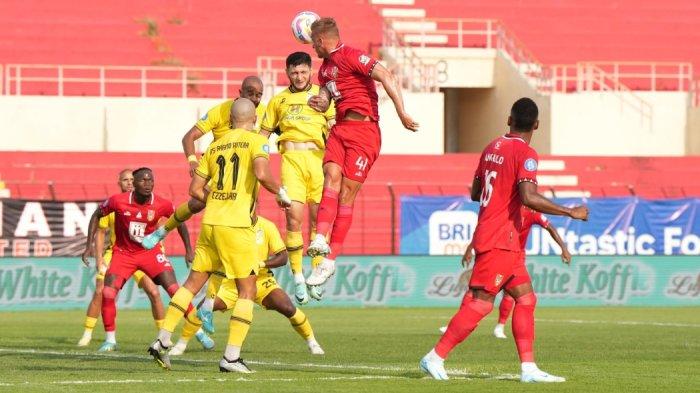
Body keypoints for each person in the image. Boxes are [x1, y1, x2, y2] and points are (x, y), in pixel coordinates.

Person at [420, 98, 589, 383]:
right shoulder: (527, 154)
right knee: (481, 303)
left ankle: (529, 369)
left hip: (500, 236)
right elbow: (528, 196)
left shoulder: (490, 148)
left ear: (509, 121)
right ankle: (435, 356)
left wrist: (499, 190)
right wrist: (569, 211)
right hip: (500, 236)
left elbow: (475, 192)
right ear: (536, 125)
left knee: (526, 299)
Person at [147, 98, 291, 373]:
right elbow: (262, 174)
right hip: (236, 226)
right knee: (247, 289)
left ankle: (162, 340)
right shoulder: (256, 141)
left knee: (191, 285)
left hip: (211, 223)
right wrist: (281, 192)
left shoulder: (215, 146)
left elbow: (194, 189)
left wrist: (219, 199)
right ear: (254, 120)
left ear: (231, 119)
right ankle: (231, 358)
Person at [141, 76, 266, 331]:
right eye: (249, 93)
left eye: (258, 94)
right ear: (239, 92)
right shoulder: (222, 111)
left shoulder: (260, 114)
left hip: (242, 179)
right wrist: (192, 162)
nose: (254, 98)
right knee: (198, 204)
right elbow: (189, 137)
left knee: (221, 251)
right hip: (217, 170)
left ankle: (205, 307)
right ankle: (162, 231)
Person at [303, 17, 419, 287]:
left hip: (364, 134)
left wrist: (401, 113)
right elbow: (325, 101)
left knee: (347, 193)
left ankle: (330, 261)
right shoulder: (324, 71)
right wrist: (317, 102)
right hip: (340, 129)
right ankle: (320, 237)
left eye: (313, 44)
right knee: (330, 175)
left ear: (321, 41)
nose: (312, 50)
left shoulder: (352, 56)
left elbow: (386, 75)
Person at [169, 215, 324, 356]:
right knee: (203, 307)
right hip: (232, 283)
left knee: (288, 307)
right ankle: (181, 345)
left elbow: (283, 258)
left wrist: (261, 264)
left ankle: (312, 342)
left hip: (261, 281)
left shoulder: (267, 226)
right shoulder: (229, 227)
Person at [83, 168, 197, 352]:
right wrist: (89, 245)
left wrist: (188, 249)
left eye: (150, 180)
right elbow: (97, 215)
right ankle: (110, 339)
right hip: (123, 254)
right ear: (133, 184)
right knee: (108, 293)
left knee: (174, 290)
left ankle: (195, 328)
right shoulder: (118, 201)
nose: (148, 184)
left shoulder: (161, 203)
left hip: (149, 253)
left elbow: (180, 220)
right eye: (143, 181)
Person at [259, 51, 335, 304]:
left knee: (317, 221)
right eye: (294, 72)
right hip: (291, 161)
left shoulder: (323, 97)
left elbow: (336, 128)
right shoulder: (278, 101)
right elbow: (264, 133)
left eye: (303, 72)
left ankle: (314, 273)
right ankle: (298, 276)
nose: (299, 76)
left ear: (310, 71)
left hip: (317, 160)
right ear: (287, 73)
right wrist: (257, 157)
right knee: (294, 218)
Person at [438, 206, 573, 338]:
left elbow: (550, 227)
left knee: (510, 292)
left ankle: (500, 327)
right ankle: (457, 324)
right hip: (497, 253)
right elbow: (484, 227)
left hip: (516, 257)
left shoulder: (532, 213)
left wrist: (563, 248)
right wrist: (470, 248)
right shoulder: (504, 209)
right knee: (476, 291)